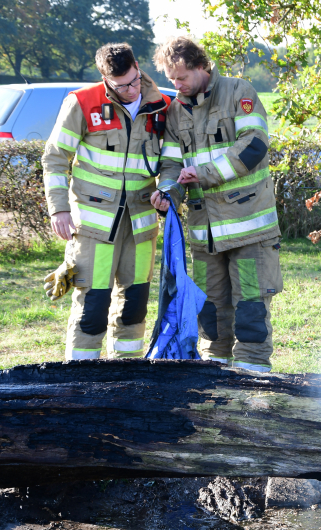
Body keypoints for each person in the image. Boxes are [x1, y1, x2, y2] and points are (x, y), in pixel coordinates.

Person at [150, 36, 282, 372]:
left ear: (200, 66)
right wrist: (167, 193)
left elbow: (254, 147)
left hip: (250, 230)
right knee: (210, 310)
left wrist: (205, 173)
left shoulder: (239, 92)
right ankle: (216, 371)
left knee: (250, 307)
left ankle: (254, 377)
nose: (176, 86)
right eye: (171, 80)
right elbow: (170, 166)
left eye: (181, 77)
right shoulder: (176, 111)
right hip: (204, 234)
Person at [42, 43, 169, 360]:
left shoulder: (163, 106)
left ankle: (125, 378)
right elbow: (55, 159)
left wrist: (167, 190)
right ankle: (80, 381)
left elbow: (173, 161)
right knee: (94, 305)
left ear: (138, 67)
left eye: (135, 80)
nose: (131, 90)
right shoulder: (83, 103)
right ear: (105, 79)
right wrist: (58, 209)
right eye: (121, 85)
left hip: (141, 225)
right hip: (94, 225)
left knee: (135, 305)